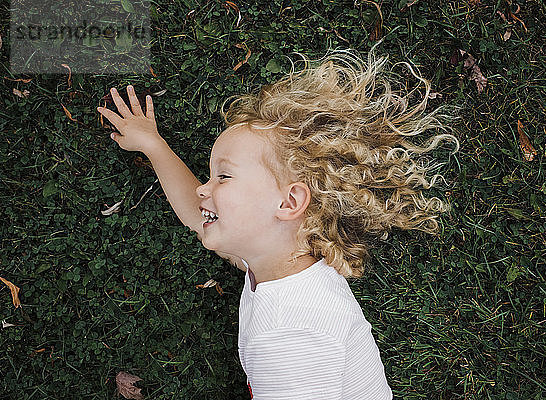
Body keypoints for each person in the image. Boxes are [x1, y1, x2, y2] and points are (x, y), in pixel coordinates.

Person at [96, 48, 459, 399]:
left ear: (288, 202)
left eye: (223, 177)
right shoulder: (280, 261)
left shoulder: (291, 334)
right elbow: (198, 215)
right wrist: (154, 146)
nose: (203, 189)